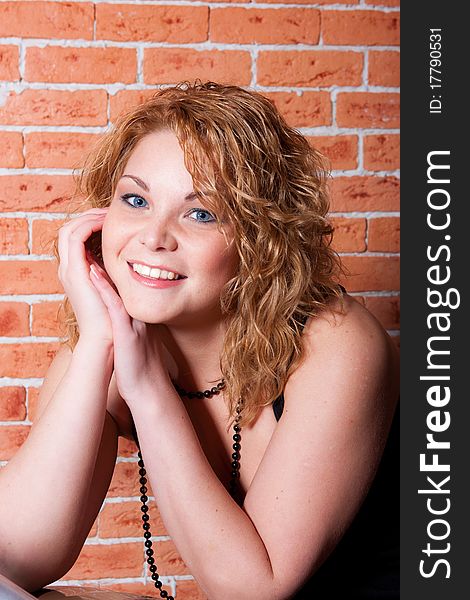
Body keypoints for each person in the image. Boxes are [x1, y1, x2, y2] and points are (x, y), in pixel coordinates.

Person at [0, 81, 399, 599]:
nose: (154, 236)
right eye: (135, 199)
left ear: (262, 237)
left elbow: (255, 591)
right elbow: (15, 557)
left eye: (201, 212)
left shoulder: (337, 342)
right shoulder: (106, 340)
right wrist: (98, 343)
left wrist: (146, 388)